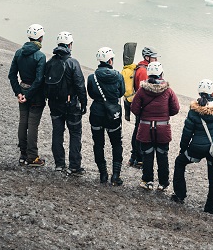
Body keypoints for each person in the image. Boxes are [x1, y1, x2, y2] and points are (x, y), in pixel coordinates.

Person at [172, 79, 213, 214]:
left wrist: (183, 148)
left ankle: (180, 194)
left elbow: (187, 132)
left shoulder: (194, 111)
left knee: (180, 162)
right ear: (212, 92)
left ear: (199, 92)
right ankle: (211, 207)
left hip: (196, 148)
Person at [130, 60, 178, 191]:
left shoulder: (142, 90)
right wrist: (164, 114)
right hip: (163, 128)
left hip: (146, 127)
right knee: (162, 156)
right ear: (161, 73)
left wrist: (143, 114)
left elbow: (134, 108)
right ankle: (163, 183)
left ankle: (148, 180)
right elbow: (176, 109)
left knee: (147, 155)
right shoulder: (168, 91)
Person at [45, 31, 87, 176]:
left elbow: (45, 83)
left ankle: (59, 164)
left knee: (57, 133)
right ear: (70, 45)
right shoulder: (73, 62)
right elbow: (80, 85)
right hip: (71, 105)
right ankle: (74, 166)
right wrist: (84, 103)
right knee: (75, 134)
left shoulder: (50, 62)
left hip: (54, 105)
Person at [8, 23, 47, 166]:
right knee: (33, 125)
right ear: (40, 38)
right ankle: (32, 157)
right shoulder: (40, 56)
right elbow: (39, 79)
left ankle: (23, 155)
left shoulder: (19, 53)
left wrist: (18, 92)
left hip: (22, 89)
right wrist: (29, 95)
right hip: (35, 95)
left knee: (23, 123)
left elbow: (12, 75)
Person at [87, 46, 126, 186]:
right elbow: (122, 92)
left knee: (98, 144)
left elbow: (91, 93)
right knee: (116, 144)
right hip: (112, 114)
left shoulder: (92, 77)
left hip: (97, 113)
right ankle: (115, 175)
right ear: (110, 60)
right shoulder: (118, 76)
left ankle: (103, 174)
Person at [127, 46, 158, 168]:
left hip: (139, 105)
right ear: (147, 57)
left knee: (138, 130)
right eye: (154, 57)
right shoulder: (144, 71)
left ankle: (134, 157)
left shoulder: (140, 68)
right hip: (143, 107)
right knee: (140, 132)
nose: (156, 60)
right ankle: (137, 158)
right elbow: (145, 92)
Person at [121, 42, 138, 123]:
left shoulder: (124, 71)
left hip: (127, 97)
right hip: (134, 96)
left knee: (127, 106)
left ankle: (127, 116)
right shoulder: (135, 69)